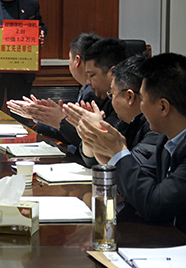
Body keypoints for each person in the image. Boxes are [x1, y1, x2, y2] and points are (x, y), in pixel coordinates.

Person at [75, 53, 186, 232]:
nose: (140, 105)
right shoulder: (167, 140)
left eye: (143, 99)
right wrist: (111, 160)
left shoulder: (162, 138)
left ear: (163, 106)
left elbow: (154, 204)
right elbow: (142, 182)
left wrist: (118, 153)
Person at [7, 33, 101, 149]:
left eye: (69, 58)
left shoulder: (93, 92)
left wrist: (59, 120)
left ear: (77, 61)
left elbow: (81, 139)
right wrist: (45, 115)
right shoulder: (87, 88)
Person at [71, 54, 160, 167]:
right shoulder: (125, 122)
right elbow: (91, 161)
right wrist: (90, 132)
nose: (111, 100)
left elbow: (133, 170)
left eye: (112, 93)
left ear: (129, 97)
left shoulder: (156, 128)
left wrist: (97, 131)